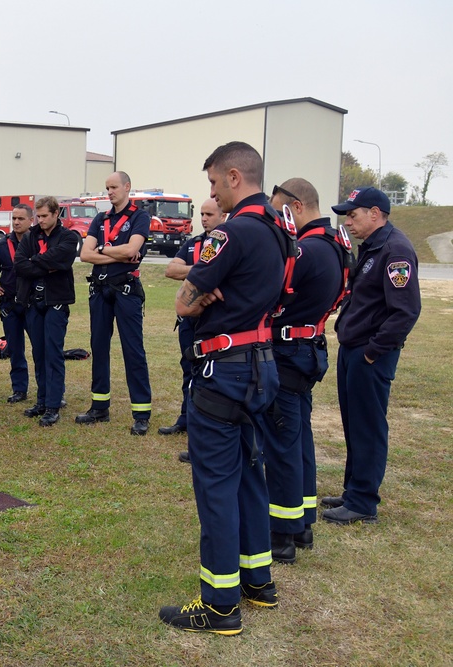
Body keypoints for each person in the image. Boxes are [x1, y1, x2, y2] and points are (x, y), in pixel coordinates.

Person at [159, 141, 285, 635]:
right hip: (262, 364)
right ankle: (257, 580)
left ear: (234, 177)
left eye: (213, 182)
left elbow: (185, 305)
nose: (211, 192)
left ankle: (219, 603)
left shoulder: (232, 234)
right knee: (251, 473)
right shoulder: (279, 230)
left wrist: (197, 289)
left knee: (215, 483)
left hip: (225, 368)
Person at [322, 187, 421, 525]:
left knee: (368, 426)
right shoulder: (374, 247)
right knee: (354, 423)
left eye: (353, 214)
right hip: (354, 349)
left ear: (375, 213)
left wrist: (372, 352)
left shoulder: (395, 250)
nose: (348, 221)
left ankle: (363, 502)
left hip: (369, 354)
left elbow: (405, 312)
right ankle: (354, 491)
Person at [265, 178, 349, 560]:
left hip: (287, 352)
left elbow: (271, 292)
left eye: (280, 211)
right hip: (307, 348)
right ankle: (302, 526)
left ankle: (281, 536)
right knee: (299, 440)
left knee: (282, 443)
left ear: (297, 207)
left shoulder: (307, 251)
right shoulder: (334, 245)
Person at [76, 171, 153, 435]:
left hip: (127, 290)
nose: (109, 192)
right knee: (98, 347)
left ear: (127, 187)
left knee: (133, 350)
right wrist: (113, 253)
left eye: (113, 187)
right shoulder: (101, 218)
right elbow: (84, 254)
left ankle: (141, 413)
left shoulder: (140, 216)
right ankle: (99, 406)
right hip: (99, 290)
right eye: (106, 188)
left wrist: (102, 250)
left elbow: (133, 250)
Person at [160, 198, 224, 444]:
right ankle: (185, 418)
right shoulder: (193, 243)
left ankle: (204, 423)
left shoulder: (224, 243)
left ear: (223, 216)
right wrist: (203, 269)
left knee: (210, 373)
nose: (204, 218)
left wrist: (191, 270)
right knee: (188, 368)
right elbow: (170, 270)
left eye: (210, 214)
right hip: (188, 320)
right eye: (202, 214)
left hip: (213, 320)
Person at [14, 197, 80, 426]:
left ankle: (53, 405)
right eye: (38, 216)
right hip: (33, 301)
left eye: (44, 216)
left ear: (56, 214)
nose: (40, 220)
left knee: (53, 353)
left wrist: (36, 260)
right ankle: (41, 400)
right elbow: (20, 264)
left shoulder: (69, 237)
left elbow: (63, 260)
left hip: (56, 301)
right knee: (39, 353)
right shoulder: (31, 236)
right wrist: (45, 264)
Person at [0, 204, 33, 404]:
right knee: (15, 349)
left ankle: (49, 391)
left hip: (33, 304)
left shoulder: (37, 242)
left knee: (42, 350)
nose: (16, 222)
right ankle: (19, 389)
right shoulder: (2, 244)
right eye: (14, 218)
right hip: (9, 304)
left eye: (21, 219)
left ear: (31, 220)